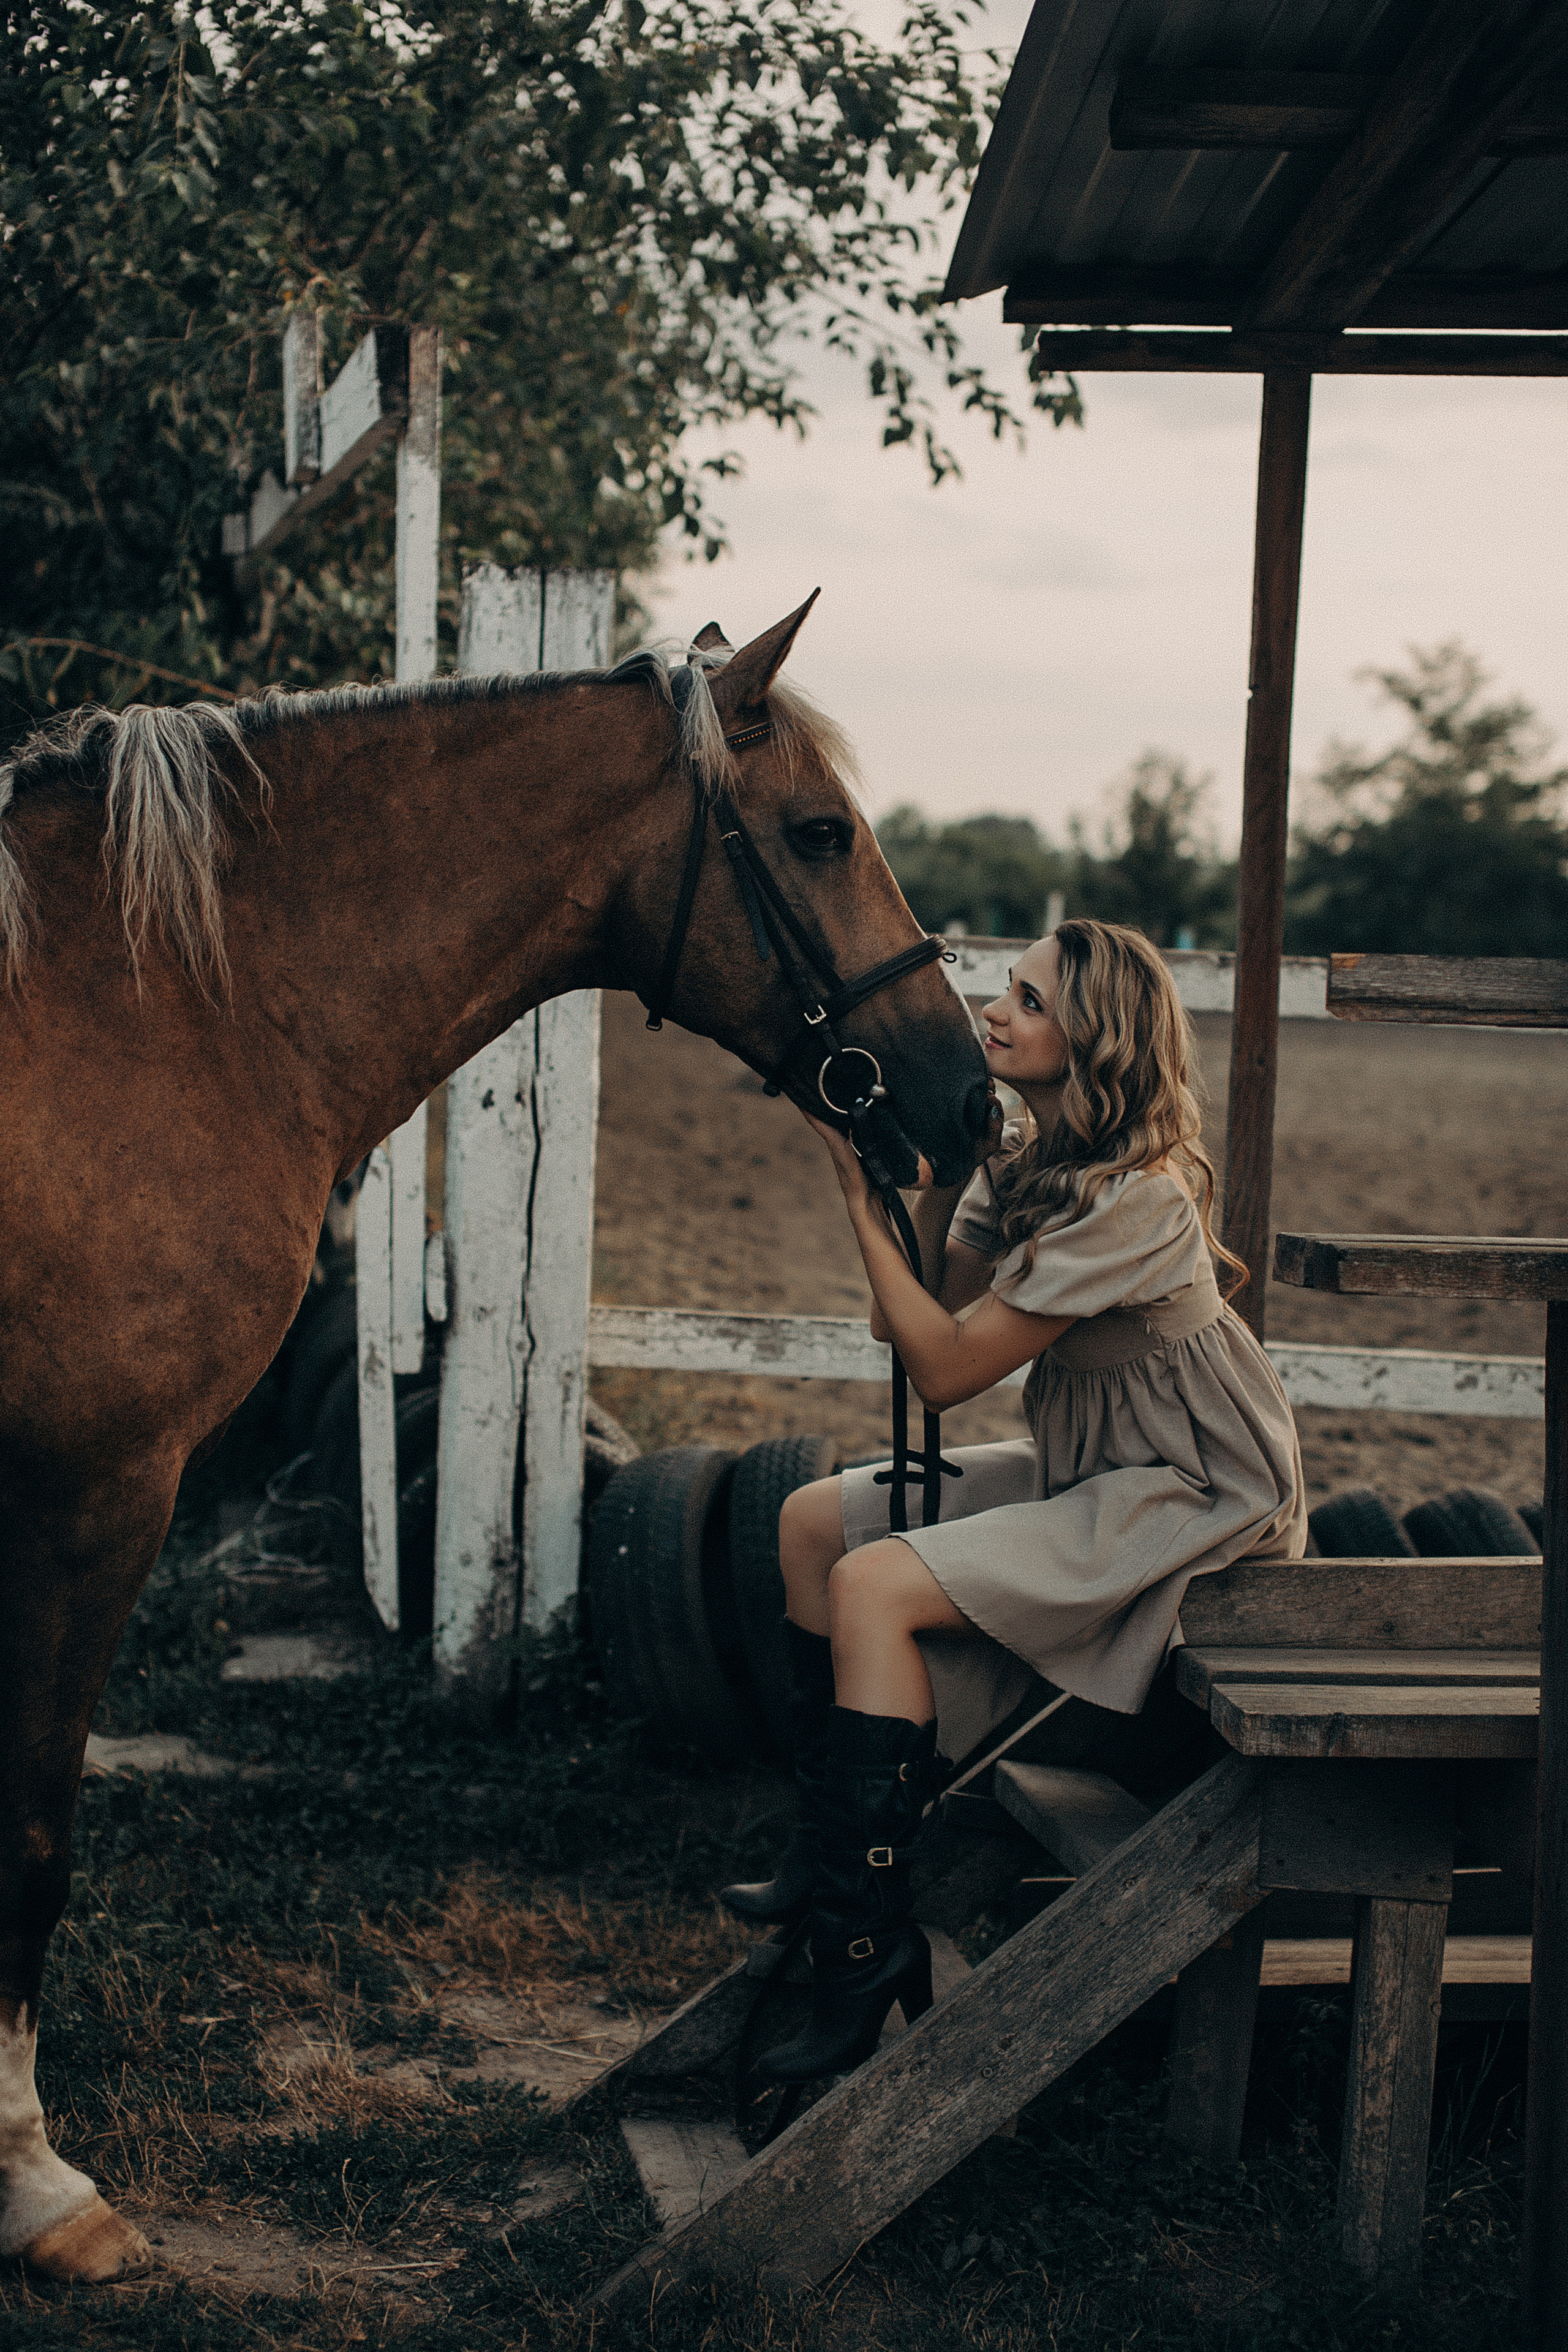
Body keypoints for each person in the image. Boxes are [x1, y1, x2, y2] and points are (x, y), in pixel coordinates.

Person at [722, 916, 1306, 2082]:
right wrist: (924, 1189)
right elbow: (915, 1320)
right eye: (1007, 990)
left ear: (1095, 1036)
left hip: (1194, 1485)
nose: (996, 1009)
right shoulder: (1031, 1158)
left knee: (872, 1584)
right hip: (1101, 1459)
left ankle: (860, 1948)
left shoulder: (1136, 1200)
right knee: (810, 1524)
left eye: (1031, 1002)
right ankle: (832, 1844)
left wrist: (854, 1196)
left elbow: (945, 1372)